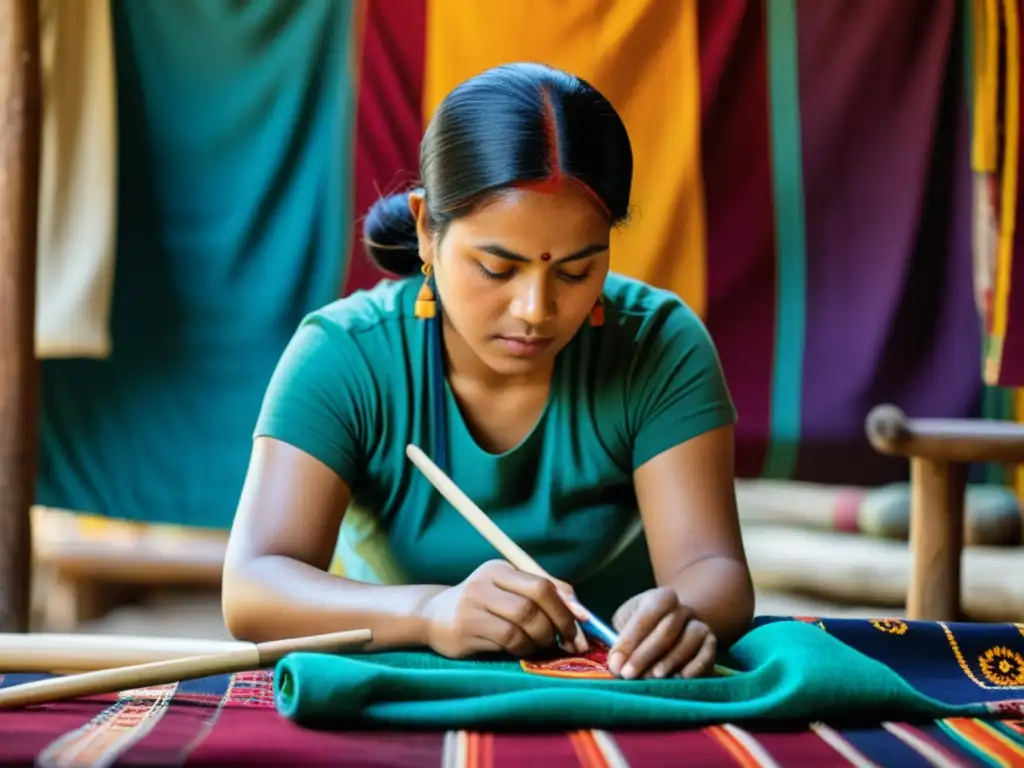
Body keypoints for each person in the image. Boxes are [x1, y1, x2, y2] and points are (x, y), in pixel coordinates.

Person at [222, 62, 754, 681]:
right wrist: (429, 613)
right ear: (426, 229)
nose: (536, 310)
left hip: (621, 687)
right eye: (498, 269)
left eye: (577, 271)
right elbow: (253, 588)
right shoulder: (344, 355)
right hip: (401, 687)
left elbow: (714, 568)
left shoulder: (659, 344)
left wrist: (683, 614)